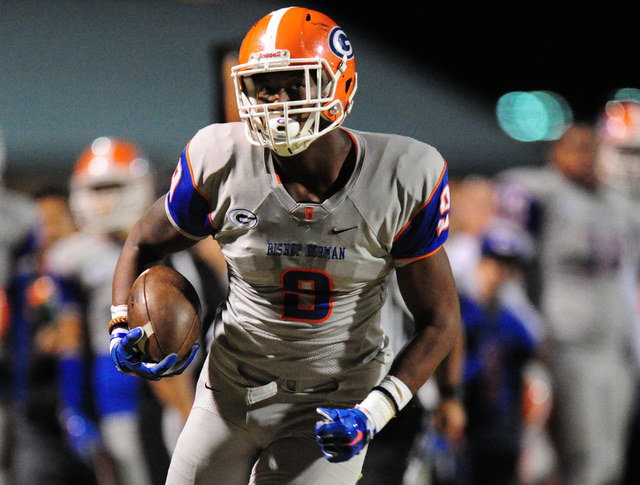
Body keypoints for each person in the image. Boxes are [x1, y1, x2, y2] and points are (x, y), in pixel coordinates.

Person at [107, 6, 460, 485]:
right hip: (231, 387)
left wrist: (375, 412)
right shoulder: (221, 158)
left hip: (334, 400)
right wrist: (121, 322)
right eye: (264, 85)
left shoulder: (400, 176)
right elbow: (142, 241)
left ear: (342, 84)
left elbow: (440, 320)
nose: (277, 101)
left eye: (296, 83)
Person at [44, 137, 224, 485]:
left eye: (114, 186)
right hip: (119, 385)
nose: (106, 199)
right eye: (97, 188)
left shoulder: (181, 242)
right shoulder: (72, 256)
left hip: (190, 376)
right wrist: (73, 405)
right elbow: (69, 335)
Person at [496, 121, 640, 485]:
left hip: (615, 348)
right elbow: (509, 260)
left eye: (592, 149)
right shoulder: (541, 193)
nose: (586, 158)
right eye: (575, 148)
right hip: (567, 344)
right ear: (554, 154)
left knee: (611, 457)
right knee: (581, 457)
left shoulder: (620, 205)